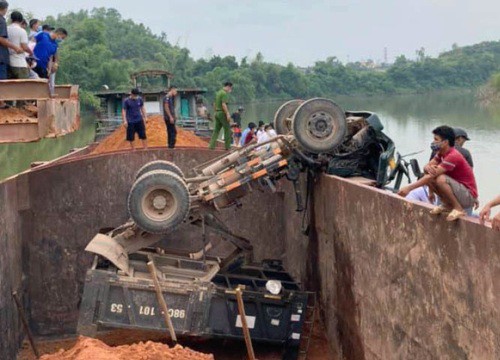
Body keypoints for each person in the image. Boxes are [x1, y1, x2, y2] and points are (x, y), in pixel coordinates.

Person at [398, 126, 478, 222]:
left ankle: (458, 208)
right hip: (458, 192)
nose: (433, 142)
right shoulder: (440, 154)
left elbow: (433, 175)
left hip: (468, 196)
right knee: (431, 177)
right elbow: (427, 169)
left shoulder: (453, 155)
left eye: (436, 139)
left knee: (440, 178)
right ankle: (447, 205)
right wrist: (426, 168)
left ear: (445, 142)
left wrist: (409, 188)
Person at [406, 127, 474, 206]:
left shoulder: (438, 150)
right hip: (458, 194)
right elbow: (469, 174)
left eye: (436, 139)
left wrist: (430, 191)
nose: (463, 143)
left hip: (442, 193)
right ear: (458, 139)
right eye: (463, 141)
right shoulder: (464, 153)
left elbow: (429, 171)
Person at [7, 11, 33, 81]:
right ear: (21, 20)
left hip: (8, 62)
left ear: (11, 19)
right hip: (19, 63)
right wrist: (31, 53)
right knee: (23, 88)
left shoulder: (6, 29)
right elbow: (24, 47)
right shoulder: (22, 31)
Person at [209, 82, 233, 150]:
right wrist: (227, 114)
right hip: (222, 113)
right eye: (230, 88)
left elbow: (214, 103)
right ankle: (227, 147)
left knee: (216, 130)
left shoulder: (218, 93)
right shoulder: (224, 93)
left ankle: (211, 146)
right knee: (227, 129)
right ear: (228, 87)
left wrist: (215, 112)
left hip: (217, 113)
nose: (230, 90)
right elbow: (223, 104)